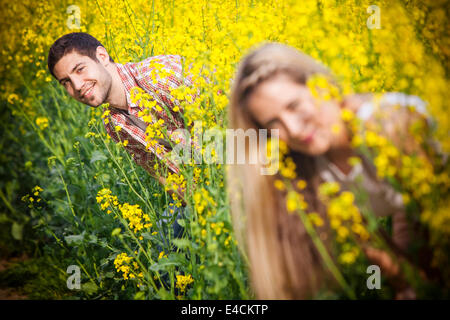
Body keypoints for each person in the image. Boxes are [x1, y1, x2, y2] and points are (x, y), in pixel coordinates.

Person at [228, 42, 445, 299]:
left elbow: (436, 215)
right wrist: (413, 285)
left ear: (322, 86)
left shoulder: (385, 125)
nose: (293, 130)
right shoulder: (312, 170)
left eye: (294, 105)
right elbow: (381, 250)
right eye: (274, 123)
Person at [47, 32, 191, 238]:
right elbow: (165, 174)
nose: (77, 86)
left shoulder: (159, 76)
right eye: (66, 82)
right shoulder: (113, 124)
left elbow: (231, 123)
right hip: (203, 191)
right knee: (167, 252)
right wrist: (200, 206)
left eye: (80, 69)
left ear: (102, 57)